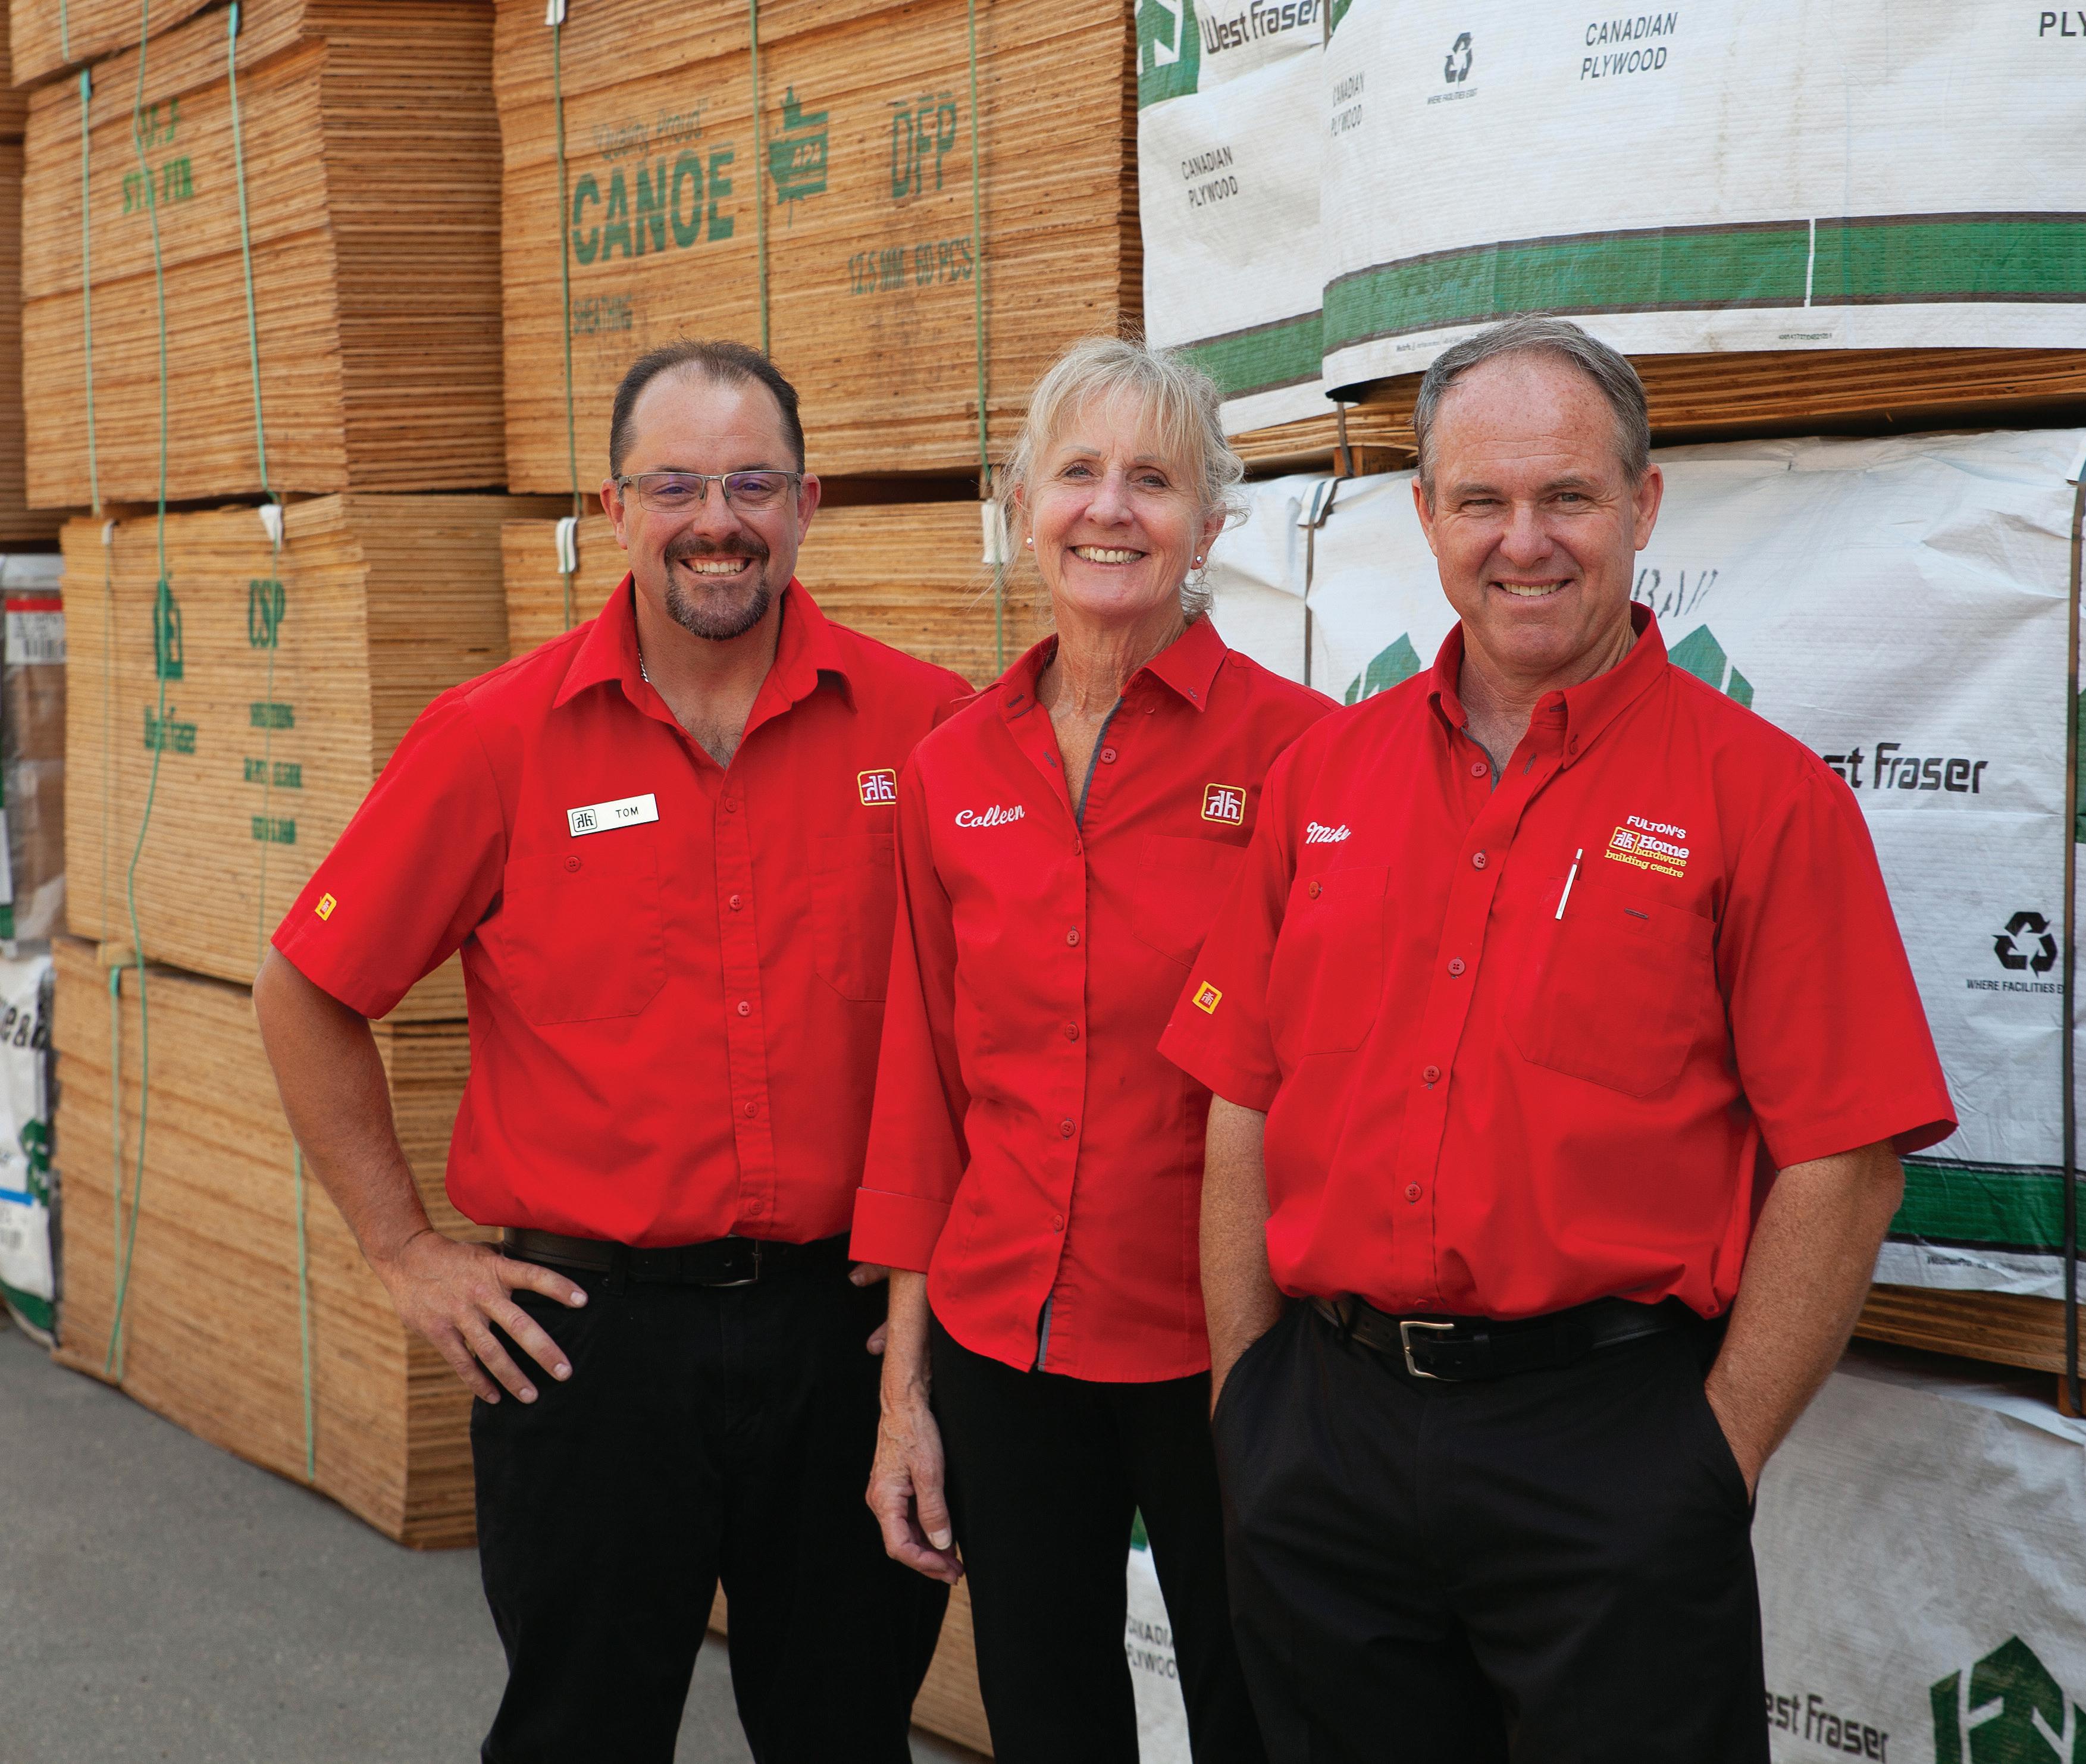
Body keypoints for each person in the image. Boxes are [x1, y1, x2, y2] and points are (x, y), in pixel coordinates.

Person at [1157, 315, 1958, 1761]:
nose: (1522, 541)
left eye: (1567, 497)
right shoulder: (1319, 781)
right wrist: (1247, 1400)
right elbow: (1242, 1096)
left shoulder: (1764, 799)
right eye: (1481, 499)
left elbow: (1845, 1163)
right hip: (1324, 1444)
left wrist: (1709, 1458)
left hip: (1612, 1458)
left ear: (1643, 505)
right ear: (1425, 515)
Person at [253, 340, 965, 1763]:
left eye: (752, 484)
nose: (717, 520)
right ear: (614, 506)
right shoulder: (494, 739)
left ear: (808, 503)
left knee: (846, 1735)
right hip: (590, 1347)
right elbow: (305, 987)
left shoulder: (929, 729)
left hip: (847, 1341)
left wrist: (938, 1301)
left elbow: (994, 1031)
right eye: (677, 485)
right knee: (577, 1735)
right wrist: (406, 1251)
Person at [850, 336, 1330, 1763]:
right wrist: (903, 1395)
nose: (1109, 508)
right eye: (1076, 473)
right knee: (1048, 1721)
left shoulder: (1305, 757)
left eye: (1153, 479)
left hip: (1224, 1349)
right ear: (1022, 505)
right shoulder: (951, 766)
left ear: (1210, 522)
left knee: (1263, 1719)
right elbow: (924, 1087)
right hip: (1005, 1340)